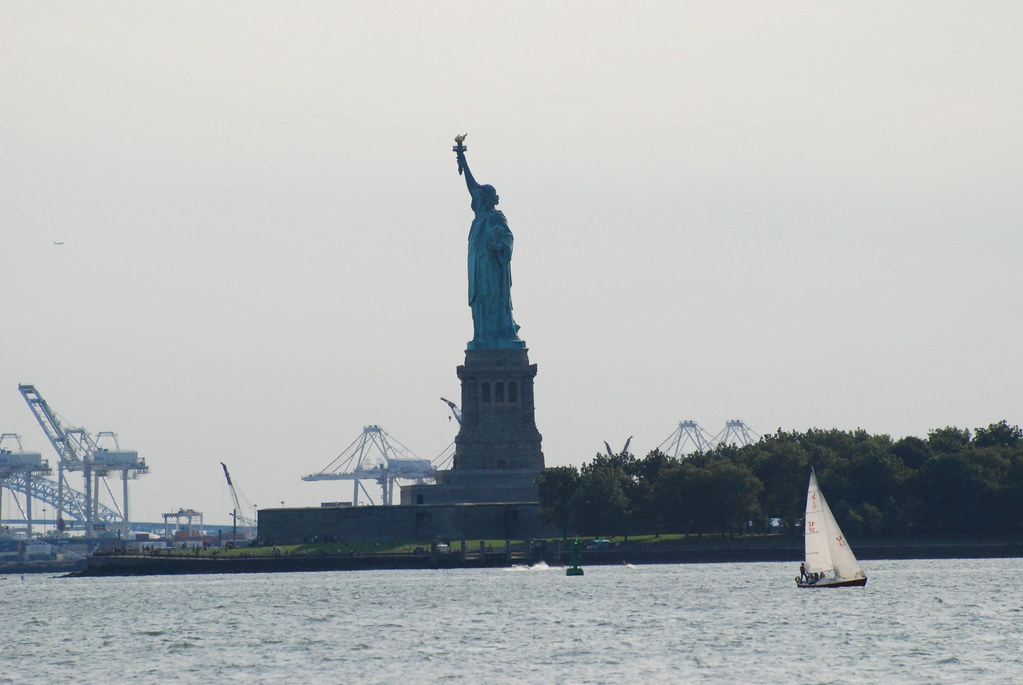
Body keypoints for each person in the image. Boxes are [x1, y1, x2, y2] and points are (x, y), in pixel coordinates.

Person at [454, 137, 524, 350]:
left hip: (493, 273)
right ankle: (482, 337)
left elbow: (508, 239)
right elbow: (471, 185)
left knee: (492, 299)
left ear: (487, 199)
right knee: (480, 302)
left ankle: (500, 334)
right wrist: (461, 157)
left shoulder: (496, 218)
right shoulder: (479, 217)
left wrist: (500, 247)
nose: (476, 198)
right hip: (478, 270)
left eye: (481, 196)